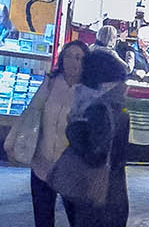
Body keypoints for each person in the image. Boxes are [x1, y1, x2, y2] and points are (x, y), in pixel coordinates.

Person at [55, 47, 130, 227]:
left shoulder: (99, 108)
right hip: (114, 192)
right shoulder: (117, 105)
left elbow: (95, 154)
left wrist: (73, 128)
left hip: (97, 194)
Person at [15, 40, 86, 227]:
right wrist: (14, 141)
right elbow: (30, 113)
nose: (72, 61)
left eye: (78, 57)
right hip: (42, 164)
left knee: (77, 219)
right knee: (43, 220)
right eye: (68, 56)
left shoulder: (89, 92)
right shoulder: (51, 83)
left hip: (72, 170)